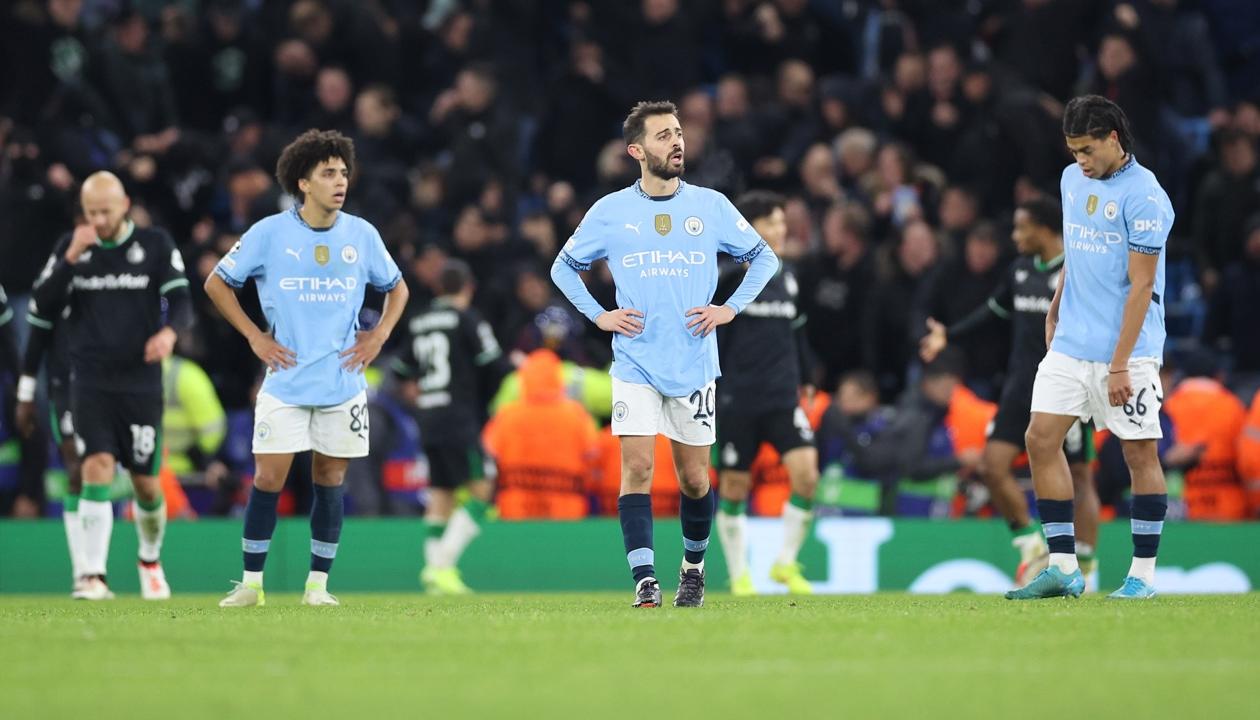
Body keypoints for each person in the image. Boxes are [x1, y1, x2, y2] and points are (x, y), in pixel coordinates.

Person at [551, 100, 779, 608]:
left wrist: (730, 308)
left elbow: (764, 257)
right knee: (637, 469)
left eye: (678, 133)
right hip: (634, 360)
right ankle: (645, 580)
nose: (677, 142)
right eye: (663, 136)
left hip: (695, 362)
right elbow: (563, 267)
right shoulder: (610, 211)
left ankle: (693, 569)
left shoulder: (710, 205)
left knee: (695, 478)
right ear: (637, 150)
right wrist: (598, 315)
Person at [205, 129, 408, 608]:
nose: (340, 182)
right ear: (303, 182)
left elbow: (397, 288)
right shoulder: (269, 233)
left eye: (343, 173)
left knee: (330, 478)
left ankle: (317, 586)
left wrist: (378, 336)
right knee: (268, 477)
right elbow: (217, 283)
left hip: (342, 380)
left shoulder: (362, 234)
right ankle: (251, 585)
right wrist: (255, 335)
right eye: (328, 173)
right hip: (285, 380)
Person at [1008, 95, 1175, 600]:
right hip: (1071, 342)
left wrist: (1121, 365)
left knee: (1138, 452)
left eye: (1086, 150)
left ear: (1112, 140)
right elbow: (1078, 252)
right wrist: (1057, 304)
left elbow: (1142, 286)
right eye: (1073, 150)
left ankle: (1142, 576)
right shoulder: (1069, 180)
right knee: (1040, 439)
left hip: (1128, 351)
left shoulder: (1146, 197)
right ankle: (1063, 566)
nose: (1079, 160)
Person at [20, 172, 194, 600]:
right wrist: (71, 258)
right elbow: (41, 307)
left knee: (146, 484)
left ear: (125, 204)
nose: (98, 220)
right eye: (91, 212)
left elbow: (183, 300)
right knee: (94, 465)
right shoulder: (72, 247)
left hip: (140, 382)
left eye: (106, 211)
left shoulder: (155, 244)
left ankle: (149, 559)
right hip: (89, 379)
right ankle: (93, 576)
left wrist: (170, 333)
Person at [920, 197, 1102, 587]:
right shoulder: (1019, 271)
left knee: (1080, 474)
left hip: (1067, 388)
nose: (1015, 236)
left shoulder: (1078, 271)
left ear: (1046, 229)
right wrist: (948, 335)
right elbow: (992, 312)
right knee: (991, 467)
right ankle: (1031, 546)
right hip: (1021, 388)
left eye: (1022, 228)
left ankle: (1085, 562)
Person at [711, 191, 818, 596]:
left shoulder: (788, 276)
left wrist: (807, 376)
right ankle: (740, 574)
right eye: (772, 222)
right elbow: (712, 335)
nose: (781, 230)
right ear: (751, 228)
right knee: (736, 488)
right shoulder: (730, 279)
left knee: (807, 476)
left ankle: (784, 564)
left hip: (782, 398)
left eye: (782, 222)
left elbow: (798, 331)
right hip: (740, 399)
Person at [392, 259, 509, 594]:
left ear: (438, 287)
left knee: (441, 492)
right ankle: (440, 565)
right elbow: (495, 365)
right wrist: (480, 403)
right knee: (482, 489)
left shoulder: (419, 322)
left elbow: (401, 372)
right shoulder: (467, 319)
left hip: (428, 417)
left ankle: (434, 579)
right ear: (469, 287)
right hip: (460, 417)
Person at [15, 285, 85, 592]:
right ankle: (86, 569)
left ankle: (146, 561)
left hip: (109, 384)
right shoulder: (62, 261)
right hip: (65, 384)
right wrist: (26, 393)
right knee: (78, 470)